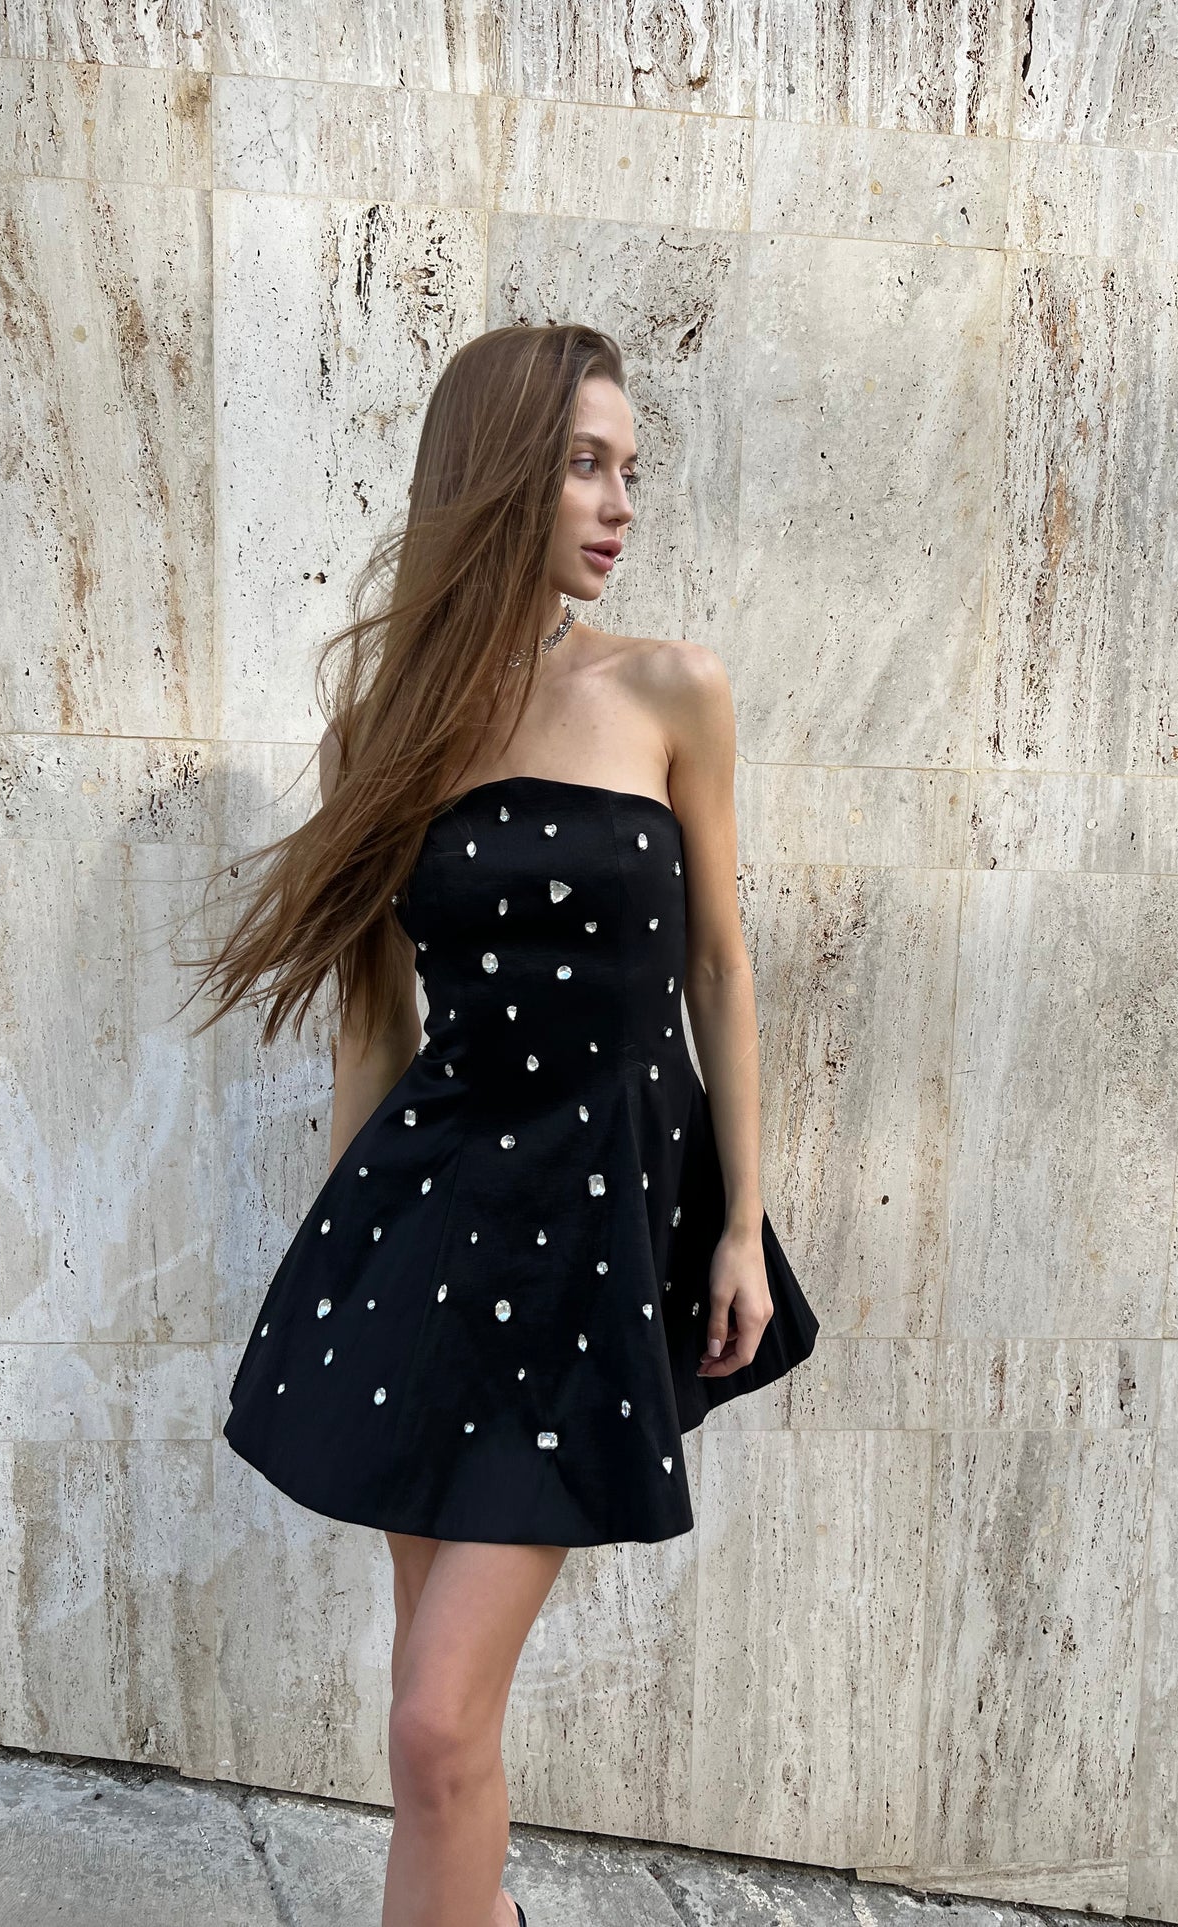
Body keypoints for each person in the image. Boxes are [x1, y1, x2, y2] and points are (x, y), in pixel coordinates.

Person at [181, 322, 819, 1927]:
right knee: (434, 1736)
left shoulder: (669, 689)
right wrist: (345, 1266)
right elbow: (374, 1024)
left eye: (628, 470)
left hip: (594, 1236)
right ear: (494, 476)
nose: (619, 504)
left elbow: (722, 969)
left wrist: (739, 1226)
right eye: (584, 465)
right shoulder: (384, 732)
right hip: (431, 1225)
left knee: (433, 1717)